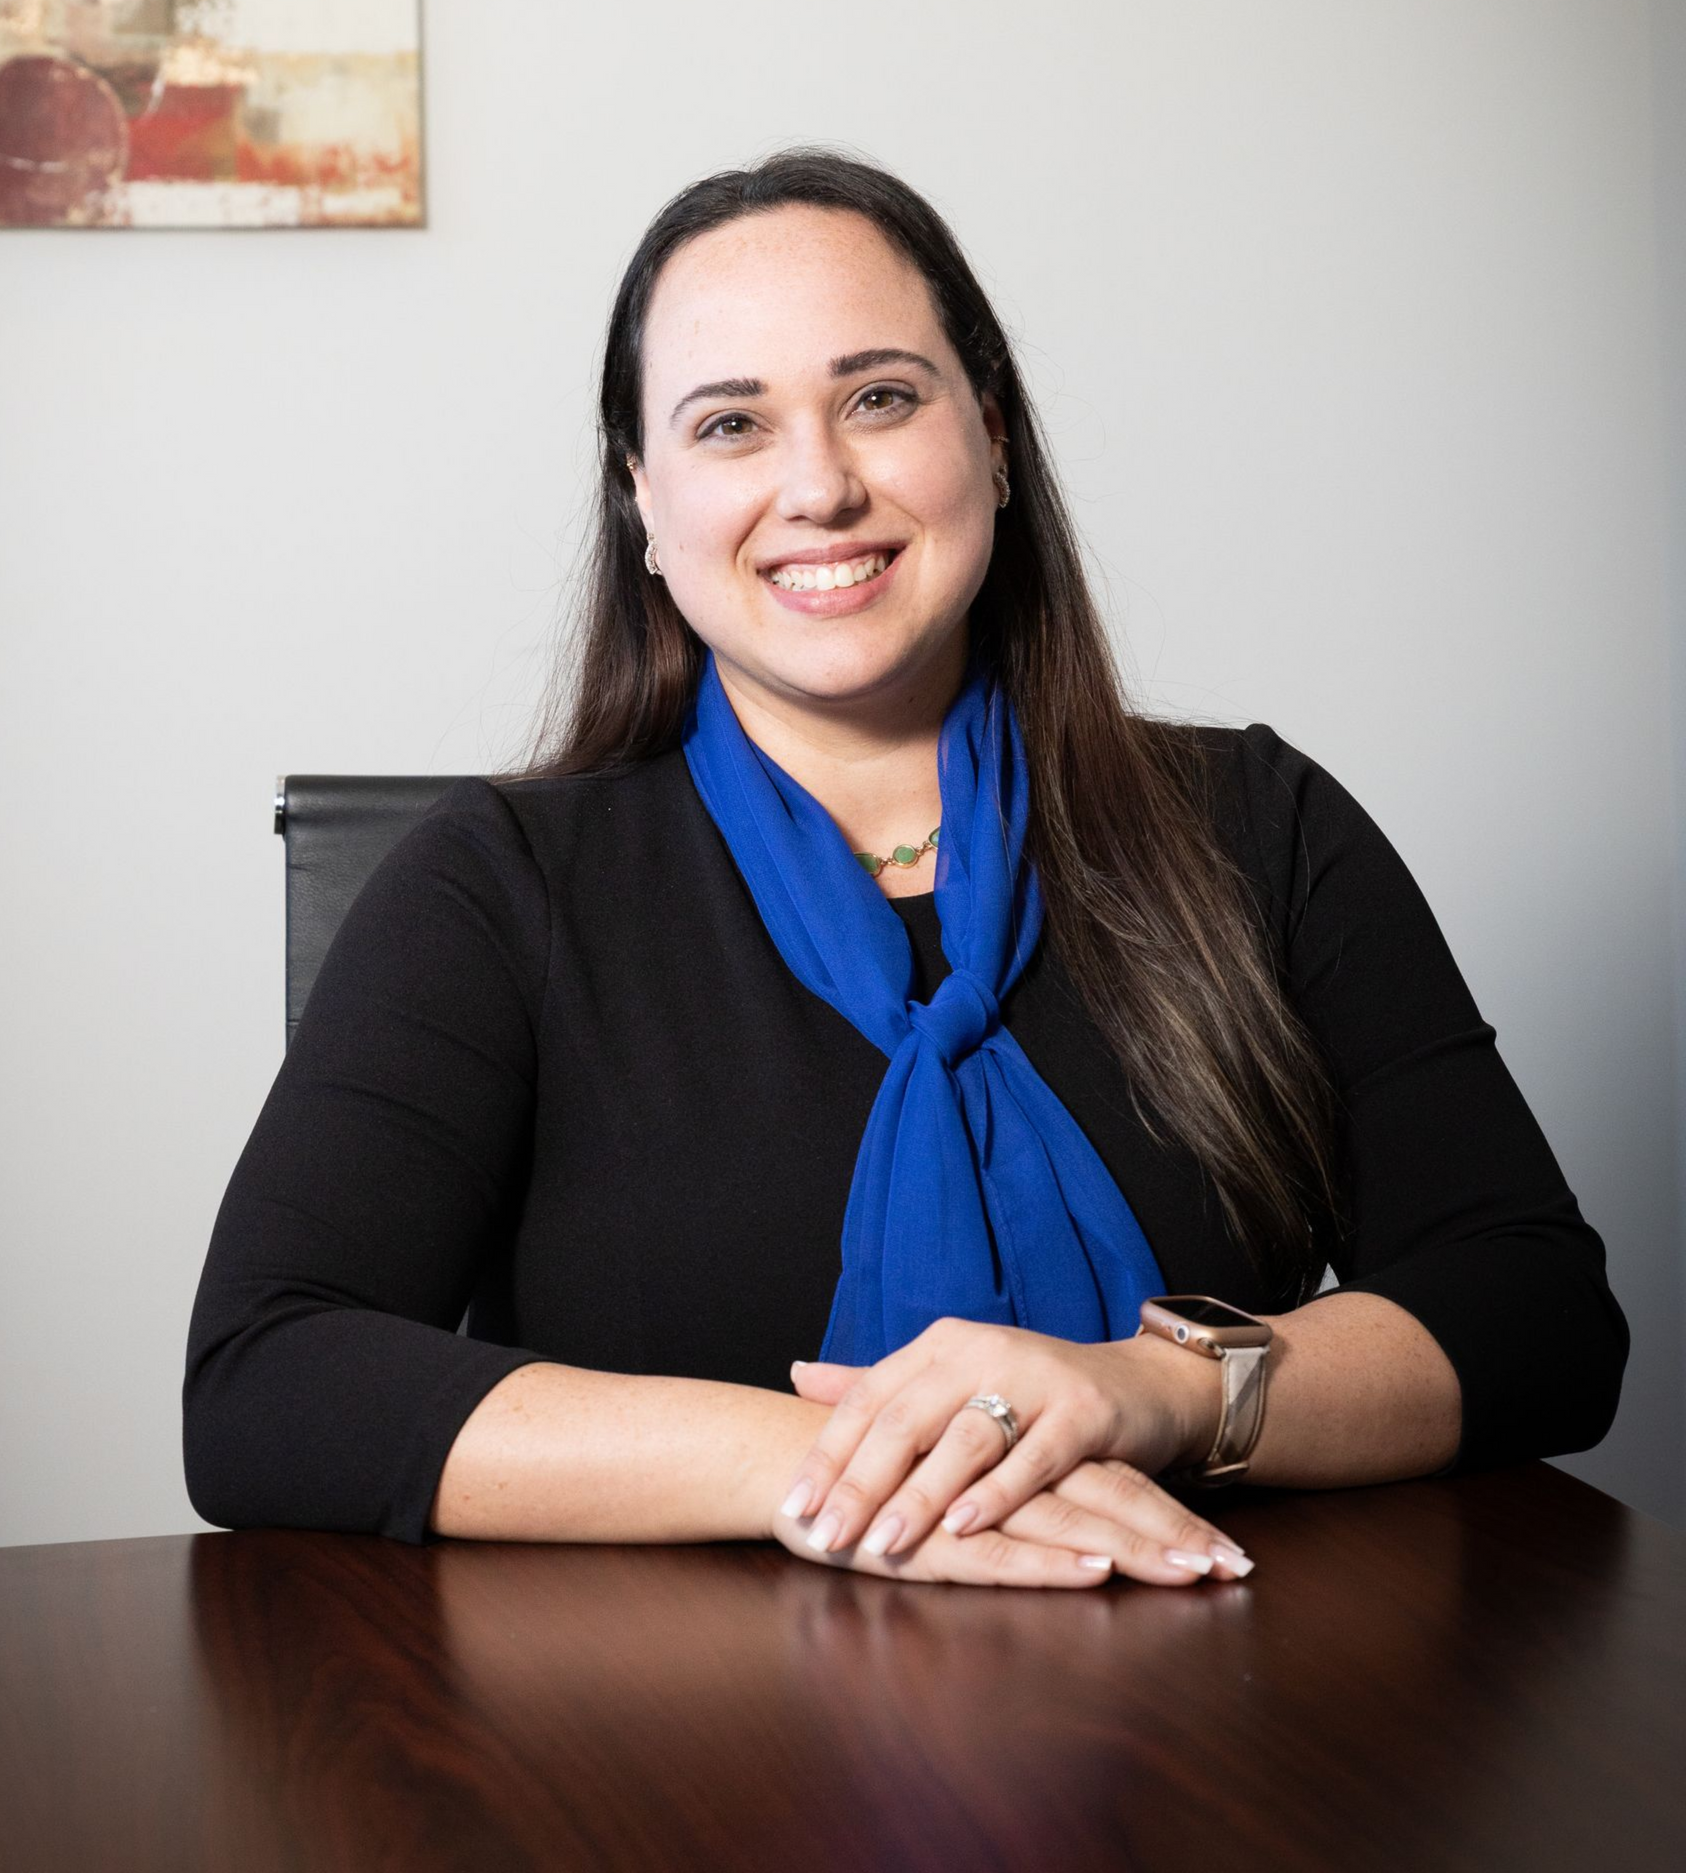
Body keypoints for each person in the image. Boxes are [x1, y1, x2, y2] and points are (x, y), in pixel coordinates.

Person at [182, 149, 1628, 1588]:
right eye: (731, 424)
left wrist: (1163, 1390)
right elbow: (266, 1380)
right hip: (663, 1770)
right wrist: (858, 1473)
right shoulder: (493, 889)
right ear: (642, 501)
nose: (819, 485)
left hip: (1216, 1719)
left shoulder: (1260, 824)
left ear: (992, 437)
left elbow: (1534, 1311)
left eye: (879, 398)